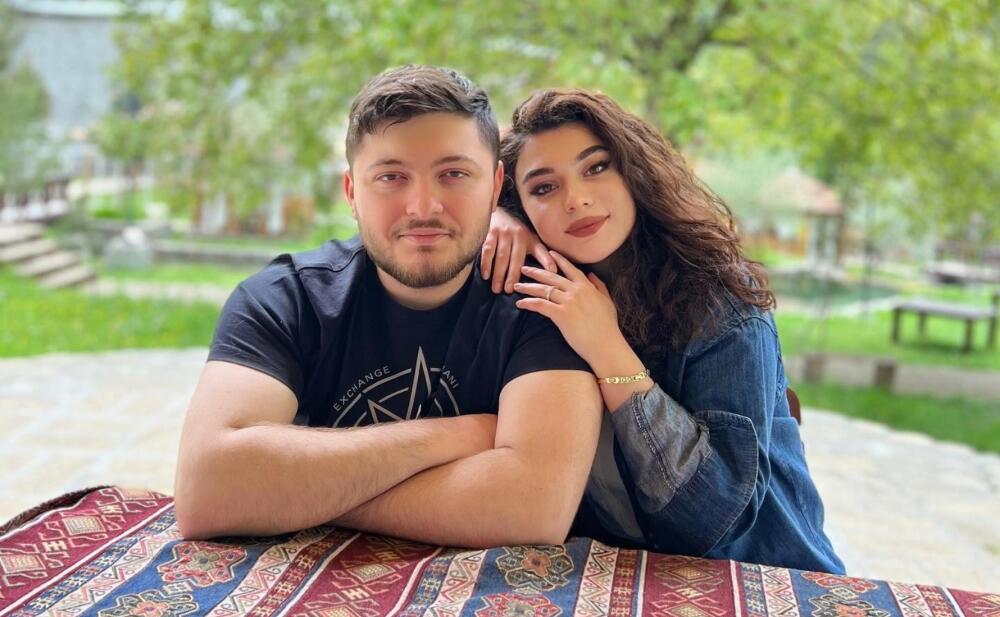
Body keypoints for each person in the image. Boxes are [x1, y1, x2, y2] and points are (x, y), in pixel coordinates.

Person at [173, 66, 603, 547]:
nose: (423, 207)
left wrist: (296, 495)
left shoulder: (544, 299)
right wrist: (459, 436)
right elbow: (207, 490)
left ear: (495, 185)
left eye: (454, 174)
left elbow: (533, 508)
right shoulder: (282, 299)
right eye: (391, 177)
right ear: (352, 193)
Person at [481, 88, 845, 574]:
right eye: (544, 188)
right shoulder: (530, 297)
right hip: (619, 578)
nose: (577, 199)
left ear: (635, 172)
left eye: (596, 167)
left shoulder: (719, 301)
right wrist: (493, 217)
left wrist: (606, 348)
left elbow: (714, 517)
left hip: (767, 577)